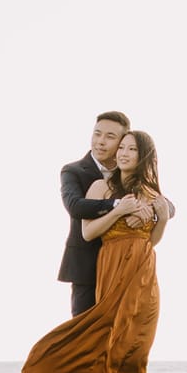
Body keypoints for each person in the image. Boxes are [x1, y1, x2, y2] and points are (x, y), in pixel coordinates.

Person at [23, 127, 171, 373]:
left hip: (145, 274)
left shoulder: (150, 191)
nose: (121, 152)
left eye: (130, 149)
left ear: (143, 155)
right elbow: (88, 232)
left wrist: (162, 214)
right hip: (113, 267)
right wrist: (119, 211)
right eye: (122, 147)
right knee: (111, 347)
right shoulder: (100, 185)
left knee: (137, 350)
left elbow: (154, 238)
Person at [58, 113, 126, 319]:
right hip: (85, 264)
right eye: (97, 134)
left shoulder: (128, 172)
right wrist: (117, 205)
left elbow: (162, 201)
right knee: (82, 329)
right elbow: (75, 206)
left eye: (110, 136)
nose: (101, 142)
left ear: (122, 142)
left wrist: (160, 211)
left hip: (122, 265)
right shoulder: (73, 170)